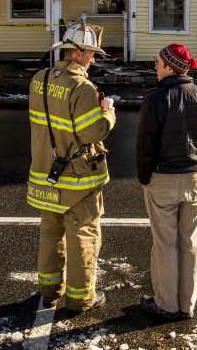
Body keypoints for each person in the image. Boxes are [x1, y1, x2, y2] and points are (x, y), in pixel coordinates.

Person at [27, 23, 115, 314]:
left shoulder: (39, 78)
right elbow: (92, 133)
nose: (93, 60)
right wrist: (107, 114)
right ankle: (80, 299)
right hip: (77, 181)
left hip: (45, 177)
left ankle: (49, 290)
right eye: (91, 54)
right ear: (77, 54)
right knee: (83, 236)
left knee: (51, 233)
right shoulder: (82, 87)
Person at [136, 43, 197, 320]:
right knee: (190, 244)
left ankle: (166, 304)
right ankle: (187, 305)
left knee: (165, 244)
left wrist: (145, 178)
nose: (156, 68)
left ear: (170, 67)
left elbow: (144, 146)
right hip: (195, 179)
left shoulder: (156, 99)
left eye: (159, 64)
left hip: (163, 179)